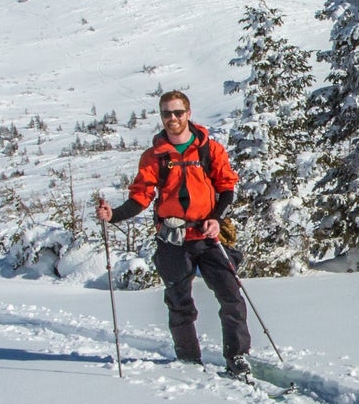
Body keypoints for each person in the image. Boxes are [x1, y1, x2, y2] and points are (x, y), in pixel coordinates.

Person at [97, 91, 253, 377]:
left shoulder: (210, 149)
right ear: (161, 116)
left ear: (188, 113)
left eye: (178, 113)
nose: (173, 119)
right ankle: (189, 361)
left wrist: (216, 219)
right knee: (179, 302)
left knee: (231, 296)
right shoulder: (154, 156)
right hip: (172, 239)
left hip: (206, 234)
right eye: (167, 113)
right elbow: (141, 197)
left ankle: (238, 357)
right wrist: (114, 215)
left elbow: (226, 188)